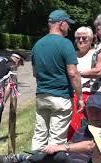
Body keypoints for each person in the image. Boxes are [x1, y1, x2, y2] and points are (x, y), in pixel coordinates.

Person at [0, 92, 101, 163]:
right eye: (91, 111)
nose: (94, 115)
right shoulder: (83, 130)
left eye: (97, 111)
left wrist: (62, 148)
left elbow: (91, 145)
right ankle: (26, 159)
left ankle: (23, 157)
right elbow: (70, 148)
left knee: (60, 156)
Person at [31, 9, 84, 151]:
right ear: (61, 24)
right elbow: (73, 73)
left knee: (39, 136)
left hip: (41, 96)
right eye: (68, 24)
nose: (69, 27)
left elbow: (36, 73)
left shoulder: (37, 45)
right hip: (60, 97)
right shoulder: (66, 44)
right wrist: (80, 97)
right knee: (57, 142)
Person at [68, 26, 99, 140]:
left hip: (92, 96)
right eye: (78, 38)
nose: (81, 40)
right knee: (73, 127)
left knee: (92, 128)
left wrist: (78, 73)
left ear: (91, 40)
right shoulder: (72, 55)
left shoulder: (96, 55)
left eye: (84, 38)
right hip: (73, 95)